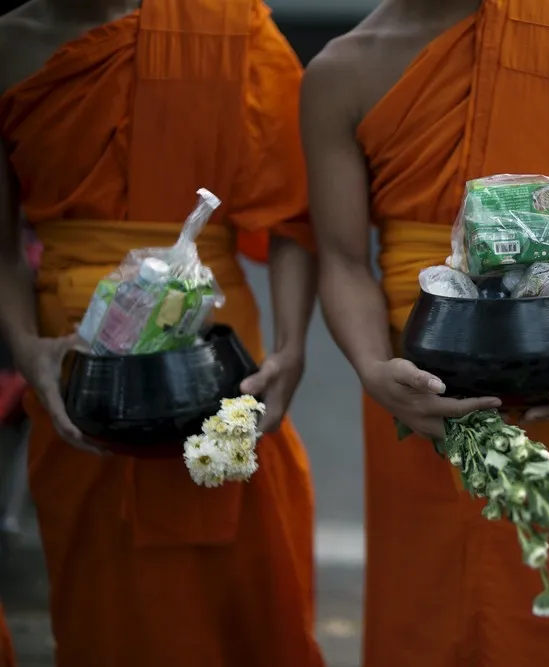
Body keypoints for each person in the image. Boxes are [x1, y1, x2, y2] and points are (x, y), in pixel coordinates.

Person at [301, 0, 549, 664]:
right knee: (430, 597)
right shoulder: (342, 70)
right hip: (421, 371)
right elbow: (344, 258)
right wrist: (373, 369)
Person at [0, 1, 322, 665]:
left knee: (243, 598)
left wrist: (291, 349)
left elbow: (294, 215)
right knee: (106, 609)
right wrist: (27, 349)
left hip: (217, 348)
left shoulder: (230, 26)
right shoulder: (12, 44)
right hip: (75, 357)